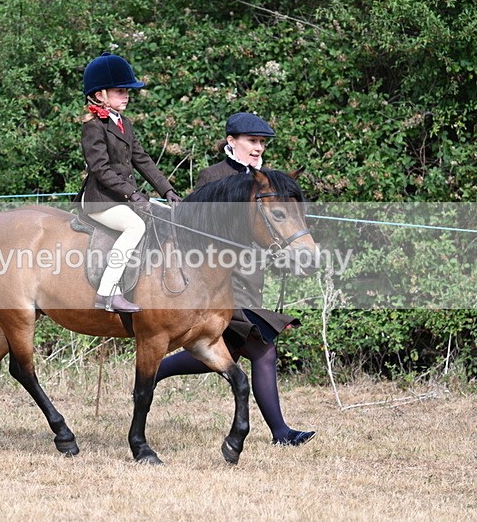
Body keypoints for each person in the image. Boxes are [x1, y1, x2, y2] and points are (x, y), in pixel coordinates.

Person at [155, 112, 316, 446]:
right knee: (263, 351)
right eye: (251, 141)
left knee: (226, 352)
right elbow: (196, 231)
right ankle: (282, 433)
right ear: (231, 141)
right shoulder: (213, 176)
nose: (258, 148)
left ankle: (154, 370)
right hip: (221, 283)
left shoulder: (269, 182)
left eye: (262, 143)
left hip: (251, 279)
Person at [78, 52, 182, 313]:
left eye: (127, 91)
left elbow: (142, 159)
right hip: (100, 199)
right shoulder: (93, 126)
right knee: (135, 226)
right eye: (120, 91)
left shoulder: (124, 123)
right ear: (100, 95)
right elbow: (100, 169)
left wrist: (167, 190)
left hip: (121, 197)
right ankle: (107, 292)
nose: (126, 96)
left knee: (166, 217)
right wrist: (132, 194)